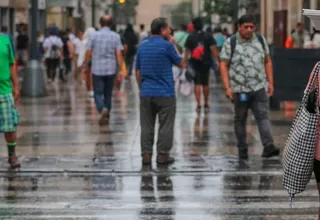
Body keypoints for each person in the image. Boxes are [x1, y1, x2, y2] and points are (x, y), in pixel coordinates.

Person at [220, 14, 280, 160]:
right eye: (245, 27)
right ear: (239, 27)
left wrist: (270, 82)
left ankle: (268, 146)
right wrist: (227, 87)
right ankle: (242, 149)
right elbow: (223, 64)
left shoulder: (260, 40)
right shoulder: (231, 42)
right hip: (240, 90)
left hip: (258, 87)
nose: (249, 30)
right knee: (240, 119)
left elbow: (267, 61)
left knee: (262, 116)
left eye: (251, 27)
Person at [135, 17, 184, 165]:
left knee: (146, 125)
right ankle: (162, 155)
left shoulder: (142, 46)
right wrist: (174, 44)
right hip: (165, 93)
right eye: (168, 29)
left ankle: (146, 155)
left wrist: (141, 88)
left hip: (146, 92)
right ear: (162, 30)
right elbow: (181, 63)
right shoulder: (167, 46)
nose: (170, 31)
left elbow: (137, 71)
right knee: (166, 125)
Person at [84, 15, 124, 125]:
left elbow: (88, 51)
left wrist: (86, 64)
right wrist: (120, 69)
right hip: (111, 68)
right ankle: (106, 109)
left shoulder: (94, 35)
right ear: (111, 24)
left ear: (100, 23)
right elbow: (119, 54)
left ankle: (102, 109)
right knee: (108, 92)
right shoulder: (115, 36)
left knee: (97, 92)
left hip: (97, 68)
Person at [183, 17, 219, 113]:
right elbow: (214, 49)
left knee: (197, 83)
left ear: (193, 25)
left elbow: (187, 51)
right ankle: (206, 103)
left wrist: (184, 62)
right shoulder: (208, 35)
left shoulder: (190, 36)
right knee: (205, 83)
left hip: (195, 62)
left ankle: (198, 104)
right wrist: (217, 61)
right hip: (206, 62)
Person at [0, 34, 20, 168]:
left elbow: (12, 63)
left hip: (5, 91)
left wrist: (16, 86)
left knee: (10, 126)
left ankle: (12, 156)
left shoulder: (6, 40)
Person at [78, 27, 96, 97]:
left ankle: (89, 89)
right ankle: (91, 89)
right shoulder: (95, 40)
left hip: (87, 60)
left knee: (87, 75)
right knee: (91, 75)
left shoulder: (84, 41)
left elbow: (82, 53)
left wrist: (80, 63)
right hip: (94, 59)